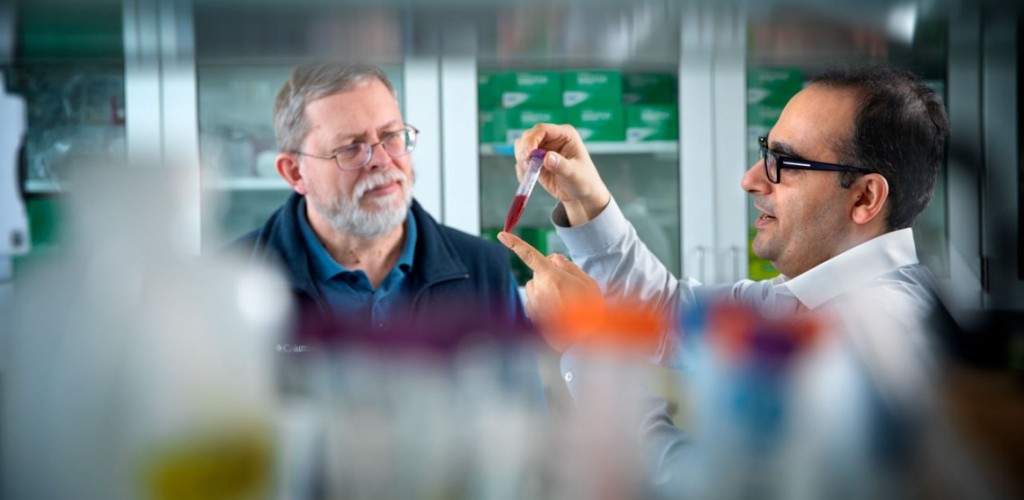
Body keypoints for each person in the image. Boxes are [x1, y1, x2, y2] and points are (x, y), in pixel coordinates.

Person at [498, 64, 972, 497]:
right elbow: (666, 312)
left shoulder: (881, 339)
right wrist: (587, 200)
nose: (750, 179)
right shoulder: (813, 295)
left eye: (784, 164)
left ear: (865, 197)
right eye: (766, 151)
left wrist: (593, 348)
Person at [232, 61, 528, 347]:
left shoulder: (484, 272)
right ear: (295, 172)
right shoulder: (231, 283)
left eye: (392, 136)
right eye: (350, 148)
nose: (383, 161)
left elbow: (520, 397)